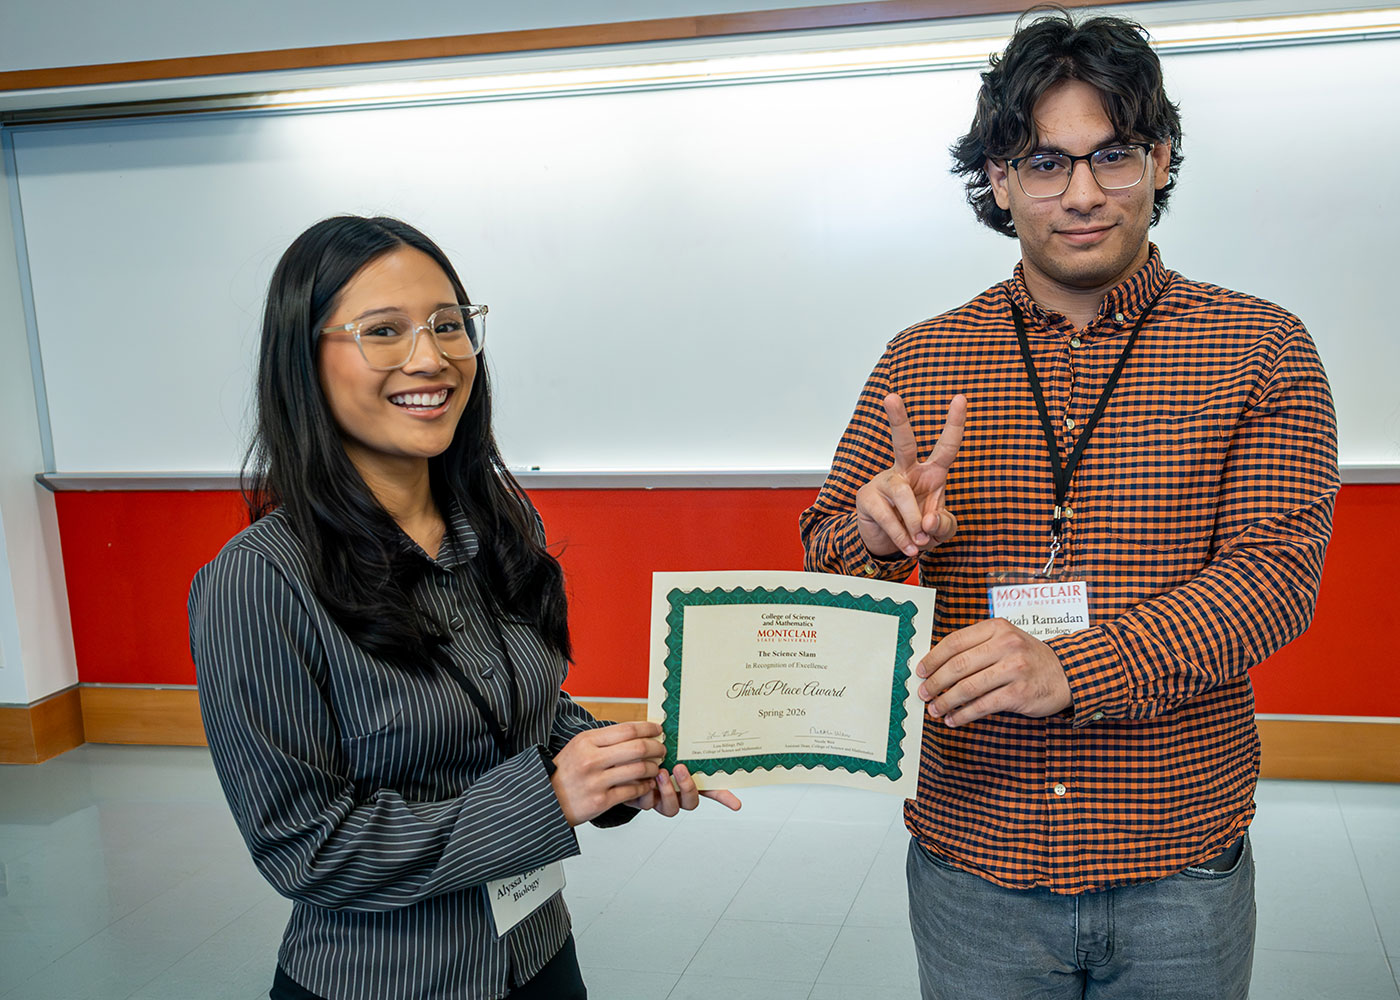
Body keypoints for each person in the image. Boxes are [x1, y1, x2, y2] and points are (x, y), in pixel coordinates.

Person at [800, 11, 1338, 999]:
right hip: (973, 854)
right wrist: (873, 538)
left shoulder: (1259, 349)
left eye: (1112, 157)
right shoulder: (922, 358)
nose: (1081, 193)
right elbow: (825, 555)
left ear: (1161, 161)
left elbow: (1269, 583)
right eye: (1044, 162)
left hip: (1174, 857)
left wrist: (1069, 664)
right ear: (999, 181)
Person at [188, 215, 739, 1000]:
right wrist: (548, 797)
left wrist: (616, 765)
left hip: (539, 953)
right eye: (383, 330)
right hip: (384, 981)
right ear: (304, 360)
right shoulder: (258, 583)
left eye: (450, 325)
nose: (432, 357)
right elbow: (305, 849)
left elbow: (521, 709)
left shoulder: (499, 524)